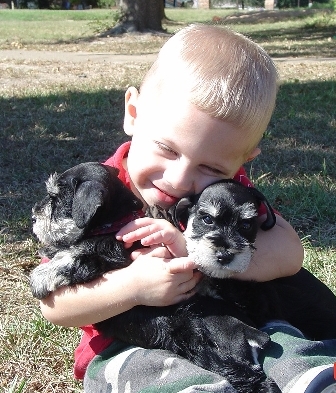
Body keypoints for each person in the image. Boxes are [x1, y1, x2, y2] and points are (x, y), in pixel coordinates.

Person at [38, 25, 336, 392]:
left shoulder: (228, 193)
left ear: (243, 159)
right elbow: (55, 304)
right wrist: (133, 287)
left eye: (210, 168)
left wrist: (193, 252)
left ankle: (313, 380)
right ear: (133, 112)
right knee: (157, 374)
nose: (179, 179)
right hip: (133, 342)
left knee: (280, 345)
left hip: (234, 320)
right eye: (167, 148)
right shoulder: (98, 193)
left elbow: (289, 252)